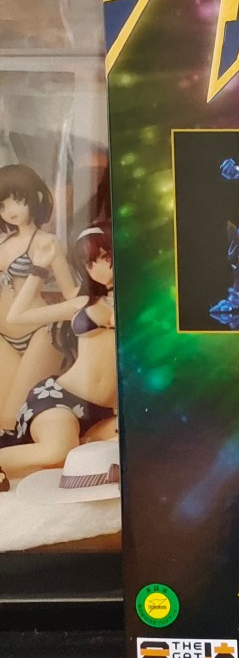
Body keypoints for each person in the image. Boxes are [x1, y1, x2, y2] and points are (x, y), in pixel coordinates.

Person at [0, 224, 115, 488]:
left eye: (105, 257)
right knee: (57, 451)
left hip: (104, 413)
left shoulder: (145, 306)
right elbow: (17, 316)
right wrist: (38, 270)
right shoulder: (82, 302)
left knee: (147, 440)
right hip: (60, 399)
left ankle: (79, 446)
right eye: (89, 263)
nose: (97, 268)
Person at [0, 164, 77, 431]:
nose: (10, 210)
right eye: (2, 205)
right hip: (4, 337)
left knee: (11, 417)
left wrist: (103, 295)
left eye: (17, 200)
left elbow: (70, 293)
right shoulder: (3, 242)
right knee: (2, 420)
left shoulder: (47, 242)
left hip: (38, 334)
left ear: (36, 196)